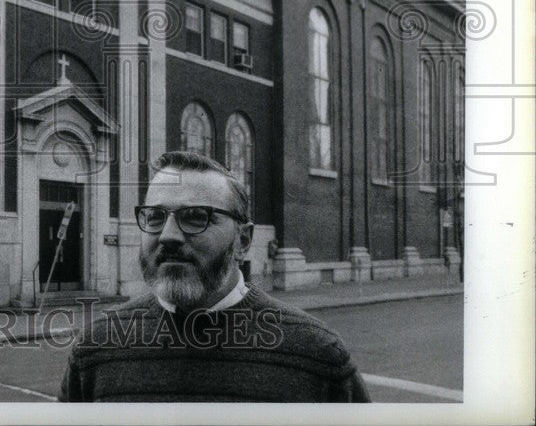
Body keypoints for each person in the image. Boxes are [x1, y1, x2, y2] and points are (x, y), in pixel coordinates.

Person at [59, 150, 370, 402]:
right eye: (154, 217)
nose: (168, 236)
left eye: (196, 217)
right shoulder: (96, 347)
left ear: (243, 241)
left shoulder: (317, 354)